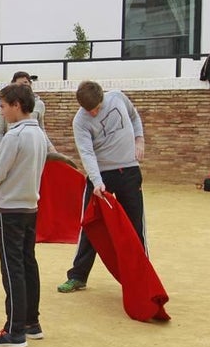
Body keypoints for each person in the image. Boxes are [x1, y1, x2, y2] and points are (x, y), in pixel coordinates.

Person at [0, 85, 49, 347]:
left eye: (4, 106)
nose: (1, 111)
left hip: (9, 209)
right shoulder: (39, 135)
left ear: (17, 105)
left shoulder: (14, 136)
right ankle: (31, 322)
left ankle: (14, 330)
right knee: (28, 263)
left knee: (12, 267)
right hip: (30, 207)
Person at [57, 82, 146, 294]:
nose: (93, 113)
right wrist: (97, 181)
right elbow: (86, 153)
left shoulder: (118, 97)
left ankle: (141, 276)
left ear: (102, 98)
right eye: (89, 110)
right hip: (101, 174)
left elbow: (134, 117)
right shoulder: (80, 121)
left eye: (96, 108)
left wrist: (139, 139)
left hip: (129, 171)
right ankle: (78, 276)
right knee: (91, 224)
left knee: (135, 224)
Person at [0, 71, 51, 147]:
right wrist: (0, 148)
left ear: (30, 83)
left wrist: (50, 147)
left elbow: (41, 128)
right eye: (20, 84)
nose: (24, 86)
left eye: (25, 82)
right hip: (13, 145)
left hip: (33, 145)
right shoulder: (6, 105)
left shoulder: (39, 104)